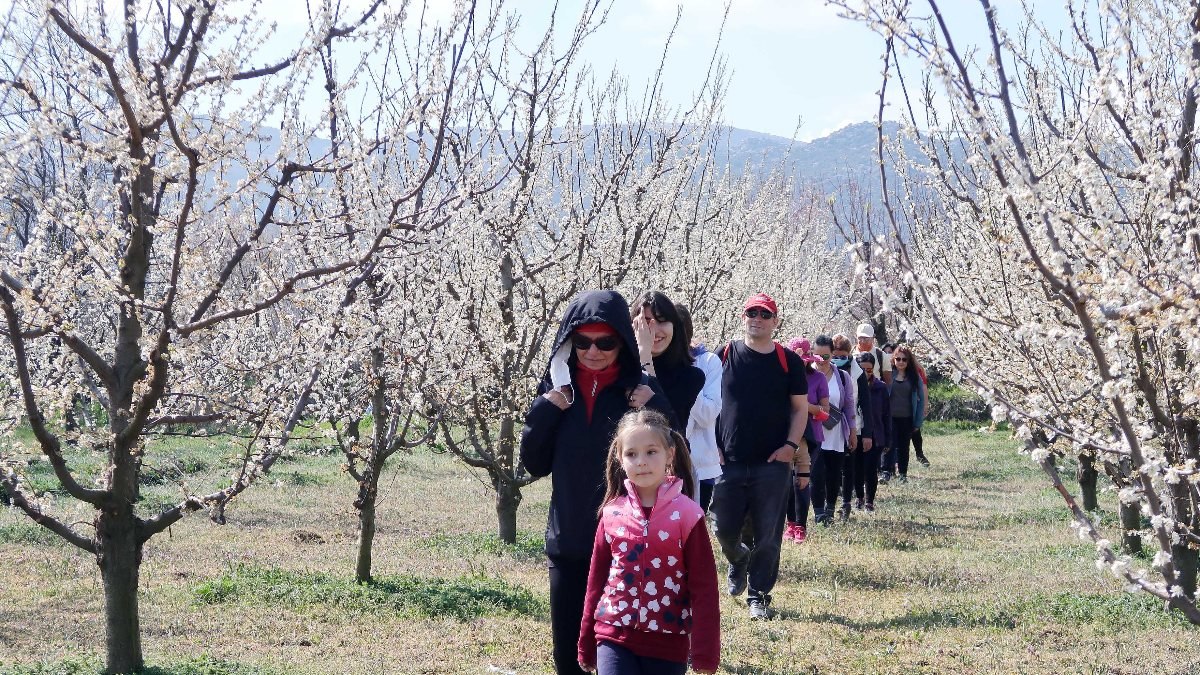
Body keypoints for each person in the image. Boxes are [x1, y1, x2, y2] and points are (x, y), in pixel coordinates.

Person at [520, 290, 679, 675]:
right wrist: (545, 410)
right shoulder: (558, 389)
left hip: (626, 546)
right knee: (569, 654)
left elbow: (674, 457)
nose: (592, 352)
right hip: (570, 539)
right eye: (582, 342)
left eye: (605, 342)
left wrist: (655, 405)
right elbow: (534, 463)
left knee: (616, 652)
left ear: (621, 342)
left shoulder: (638, 393)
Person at [577, 410, 719, 675]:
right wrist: (586, 640)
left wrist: (705, 651)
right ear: (620, 459)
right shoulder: (611, 514)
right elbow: (596, 581)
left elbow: (704, 586)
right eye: (631, 454)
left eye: (651, 452)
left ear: (670, 454)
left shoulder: (688, 516)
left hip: (668, 643)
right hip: (614, 636)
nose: (641, 462)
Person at [711, 293, 809, 620]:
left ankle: (759, 596)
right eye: (751, 312)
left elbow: (799, 409)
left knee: (768, 534)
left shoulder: (788, 361)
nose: (757, 318)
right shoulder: (723, 356)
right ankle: (737, 558)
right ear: (743, 317)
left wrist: (791, 447)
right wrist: (713, 447)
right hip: (729, 461)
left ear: (775, 321)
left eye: (765, 314)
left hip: (772, 463)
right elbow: (706, 406)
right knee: (723, 528)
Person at [631, 292, 705, 432]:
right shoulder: (619, 369)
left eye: (662, 320)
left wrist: (645, 357)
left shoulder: (690, 377)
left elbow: (672, 429)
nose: (655, 330)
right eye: (646, 321)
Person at [675, 304, 722, 512]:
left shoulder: (708, 362)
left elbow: (707, 415)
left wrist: (686, 379)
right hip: (658, 466)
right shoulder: (649, 363)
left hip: (701, 465)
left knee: (692, 533)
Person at [783, 337, 828, 544]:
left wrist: (803, 405)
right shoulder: (781, 376)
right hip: (783, 434)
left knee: (801, 481)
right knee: (785, 483)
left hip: (811, 437)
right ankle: (790, 523)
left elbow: (825, 412)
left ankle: (801, 525)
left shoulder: (818, 378)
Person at [810, 335, 857, 524]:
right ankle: (819, 512)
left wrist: (853, 431)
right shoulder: (806, 374)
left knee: (833, 473)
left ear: (833, 355)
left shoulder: (843, 377)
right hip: (813, 432)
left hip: (836, 433)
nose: (821, 361)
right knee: (816, 473)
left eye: (826, 356)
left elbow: (849, 405)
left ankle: (830, 508)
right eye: (817, 356)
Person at [832, 334, 873, 517]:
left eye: (842, 356)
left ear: (849, 354)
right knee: (831, 465)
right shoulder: (824, 369)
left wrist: (867, 433)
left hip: (852, 424)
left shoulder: (857, 373)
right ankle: (829, 501)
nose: (838, 360)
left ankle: (846, 502)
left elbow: (865, 403)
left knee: (849, 466)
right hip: (828, 425)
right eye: (835, 356)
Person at [855, 352, 891, 511]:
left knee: (871, 469)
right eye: (862, 369)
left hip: (876, 434)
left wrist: (888, 439)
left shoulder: (880, 387)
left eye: (869, 370)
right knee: (857, 468)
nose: (865, 373)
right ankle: (859, 498)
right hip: (856, 431)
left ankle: (869, 501)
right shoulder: (852, 386)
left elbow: (887, 414)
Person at [888, 345, 927, 483]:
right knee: (889, 444)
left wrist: (918, 422)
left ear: (909, 361)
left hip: (907, 417)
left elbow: (921, 400)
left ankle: (903, 474)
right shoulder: (888, 375)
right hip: (890, 417)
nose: (901, 362)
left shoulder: (914, 377)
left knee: (904, 447)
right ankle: (887, 471)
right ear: (893, 359)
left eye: (904, 359)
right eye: (898, 359)